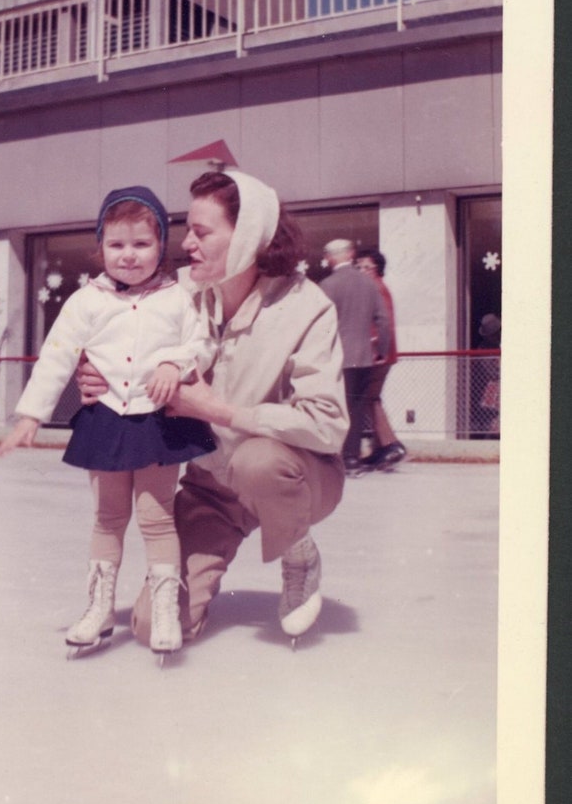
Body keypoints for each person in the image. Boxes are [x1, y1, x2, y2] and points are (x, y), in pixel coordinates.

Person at [79, 169, 349, 649]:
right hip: (211, 489)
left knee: (257, 461)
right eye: (188, 231)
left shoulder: (308, 307)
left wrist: (220, 411)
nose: (186, 245)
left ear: (246, 237)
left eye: (202, 233)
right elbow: (103, 322)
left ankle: (298, 549)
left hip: (295, 474)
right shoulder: (172, 292)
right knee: (150, 626)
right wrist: (93, 373)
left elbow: (328, 425)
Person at [0, 186, 216, 658]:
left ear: (162, 245)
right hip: (107, 418)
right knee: (108, 517)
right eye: (117, 245)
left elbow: (202, 343)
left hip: (158, 422)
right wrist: (32, 414)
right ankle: (99, 607)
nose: (129, 256)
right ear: (100, 247)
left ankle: (164, 609)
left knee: (156, 519)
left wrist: (174, 364)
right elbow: (57, 356)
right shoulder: (86, 300)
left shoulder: (180, 297)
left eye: (141, 244)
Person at [320, 239, 391, 475]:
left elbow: (319, 324)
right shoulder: (369, 284)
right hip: (364, 357)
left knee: (338, 408)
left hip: (338, 357)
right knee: (358, 407)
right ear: (350, 255)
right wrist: (382, 348)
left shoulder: (327, 286)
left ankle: (338, 457)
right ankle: (352, 457)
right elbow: (382, 319)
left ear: (330, 258)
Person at [355, 247, 407, 470]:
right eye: (359, 267)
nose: (362, 271)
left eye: (367, 267)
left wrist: (376, 346)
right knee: (370, 397)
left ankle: (391, 445)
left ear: (377, 269)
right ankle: (380, 449)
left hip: (378, 354)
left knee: (369, 398)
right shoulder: (376, 287)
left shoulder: (376, 288)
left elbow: (383, 321)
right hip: (381, 353)